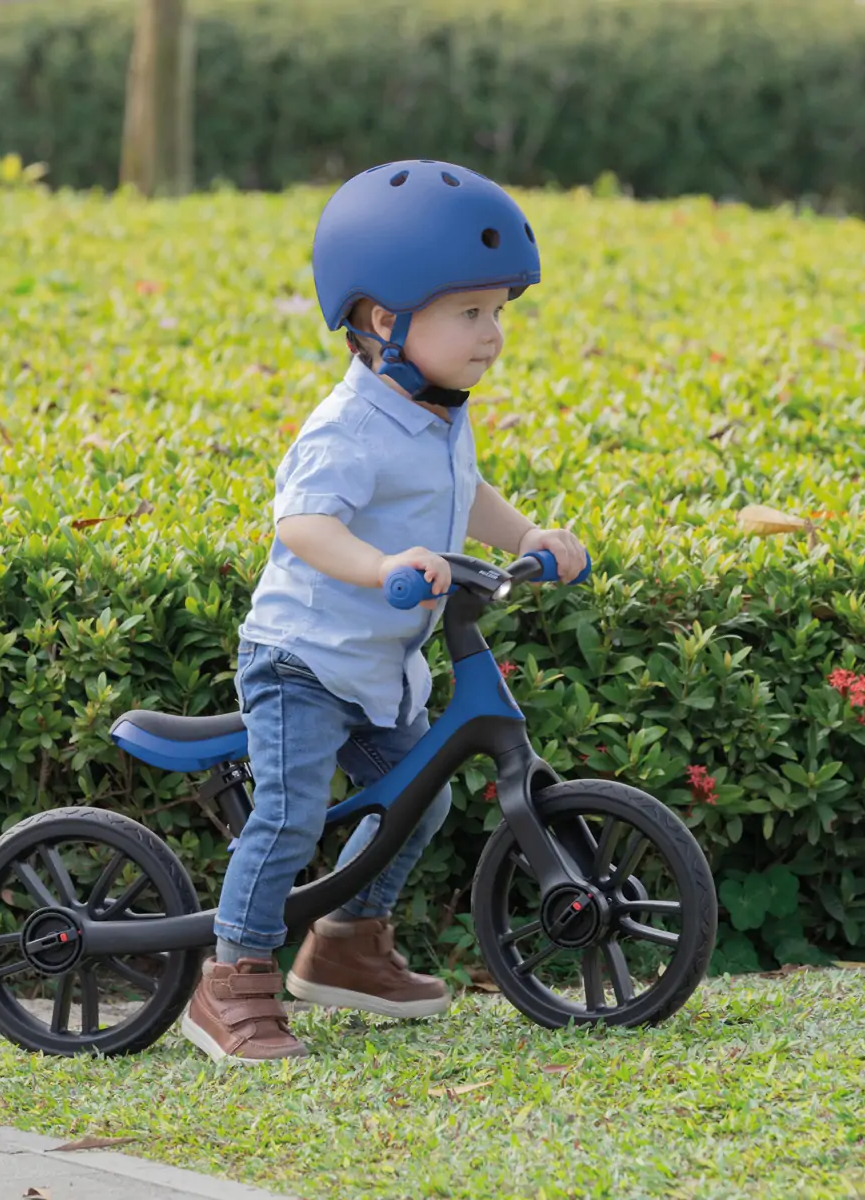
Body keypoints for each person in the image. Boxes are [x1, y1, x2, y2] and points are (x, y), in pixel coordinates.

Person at [181, 158, 588, 1064]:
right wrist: (380, 566)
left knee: (420, 799)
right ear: (382, 320)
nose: (492, 335)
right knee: (288, 815)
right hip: (302, 658)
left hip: (378, 666)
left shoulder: (440, 412)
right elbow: (301, 523)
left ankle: (347, 948)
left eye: (498, 313)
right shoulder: (349, 426)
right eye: (468, 312)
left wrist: (533, 533)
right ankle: (231, 978)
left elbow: (464, 490)